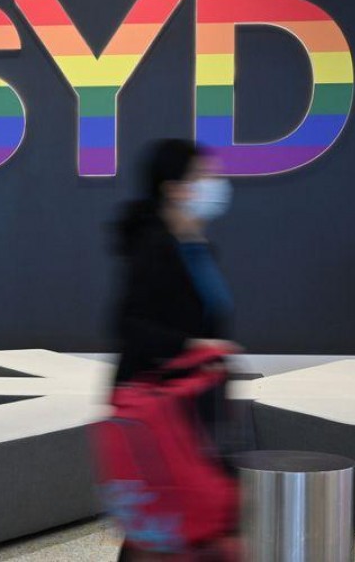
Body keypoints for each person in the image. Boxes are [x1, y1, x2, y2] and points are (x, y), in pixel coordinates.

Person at [112, 139, 242, 561]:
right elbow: (129, 325)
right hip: (159, 404)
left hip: (194, 402)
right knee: (166, 521)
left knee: (177, 520)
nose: (216, 184)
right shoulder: (154, 246)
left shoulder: (198, 246)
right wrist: (192, 345)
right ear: (174, 187)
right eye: (204, 176)